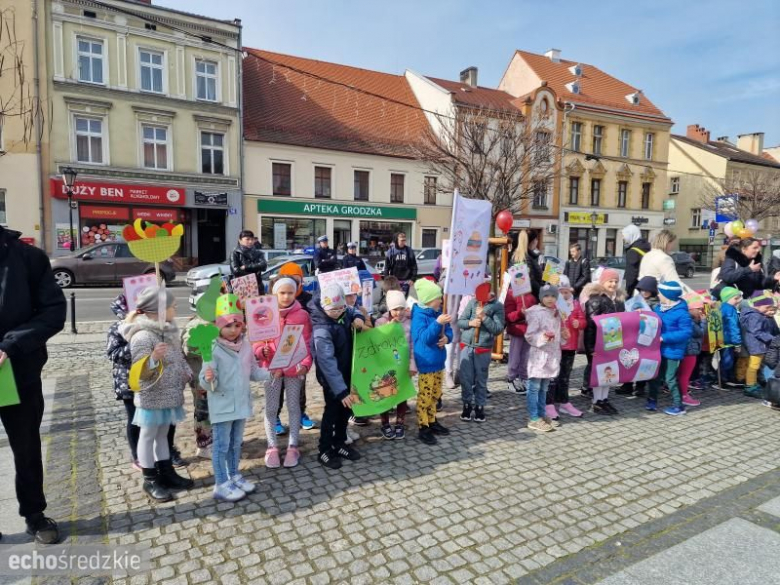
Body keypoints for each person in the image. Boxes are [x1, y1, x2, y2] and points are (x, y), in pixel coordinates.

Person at [0, 226, 66, 544]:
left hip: (18, 371)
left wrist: (10, 346)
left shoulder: (28, 258)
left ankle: (34, 514)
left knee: (25, 447)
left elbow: (53, 312)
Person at [123, 287, 194, 502]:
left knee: (163, 434)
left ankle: (166, 472)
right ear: (159, 310)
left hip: (170, 392)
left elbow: (179, 356)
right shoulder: (143, 336)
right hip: (152, 396)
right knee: (148, 435)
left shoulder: (168, 331)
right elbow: (140, 372)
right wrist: (153, 357)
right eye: (172, 306)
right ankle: (150, 478)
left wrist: (186, 371)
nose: (175, 309)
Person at [202, 294, 269, 502]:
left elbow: (253, 371)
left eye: (237, 325)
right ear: (219, 326)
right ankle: (221, 483)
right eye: (228, 325)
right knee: (221, 445)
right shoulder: (212, 348)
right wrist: (208, 378)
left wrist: (272, 372)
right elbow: (204, 383)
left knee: (236, 443)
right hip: (222, 406)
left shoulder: (246, 346)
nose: (233, 330)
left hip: (240, 403)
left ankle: (234, 475)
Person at [256, 278, 313, 469]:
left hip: (294, 369)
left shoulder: (302, 315)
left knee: (294, 406)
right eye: (282, 293)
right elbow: (256, 341)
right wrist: (259, 352)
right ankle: (272, 446)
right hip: (271, 370)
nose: (286, 296)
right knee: (271, 408)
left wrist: (305, 364)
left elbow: (307, 342)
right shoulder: (264, 313)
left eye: (290, 292)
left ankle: (293, 445)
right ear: (274, 293)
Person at [311, 284, 368, 469]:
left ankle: (340, 442)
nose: (337, 312)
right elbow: (327, 363)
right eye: (333, 309)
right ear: (324, 307)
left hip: (347, 373)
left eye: (340, 308)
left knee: (345, 412)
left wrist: (359, 317)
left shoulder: (344, 311)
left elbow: (352, 310)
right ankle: (325, 449)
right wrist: (341, 391)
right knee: (332, 412)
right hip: (332, 381)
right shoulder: (322, 330)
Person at [274, 262, 315, 433]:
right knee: (277, 389)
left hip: (298, 353)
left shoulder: (308, 299)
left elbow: (312, 322)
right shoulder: (272, 302)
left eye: (296, 280)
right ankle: (275, 417)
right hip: (275, 355)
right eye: (283, 292)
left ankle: (300, 414)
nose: (287, 295)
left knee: (299, 388)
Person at [411, 279, 453, 445]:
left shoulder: (438, 313)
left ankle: (432, 420)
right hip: (427, 363)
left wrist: (447, 337)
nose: (441, 300)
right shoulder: (420, 317)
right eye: (438, 298)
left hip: (438, 362)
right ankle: (423, 427)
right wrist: (437, 324)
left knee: (435, 394)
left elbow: (448, 329)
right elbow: (424, 339)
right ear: (429, 299)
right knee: (425, 397)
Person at [457, 283, 505, 423]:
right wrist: (471, 323)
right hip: (467, 345)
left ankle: (479, 407)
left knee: (481, 380)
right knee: (465, 379)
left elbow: (497, 329)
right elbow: (461, 321)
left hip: (483, 348)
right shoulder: (473, 302)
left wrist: (484, 317)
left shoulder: (497, 306)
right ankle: (466, 405)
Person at [524, 284, 567, 432]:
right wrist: (543, 337)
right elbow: (529, 335)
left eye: (553, 296)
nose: (550, 299)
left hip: (552, 355)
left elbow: (559, 335)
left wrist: (564, 336)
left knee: (544, 388)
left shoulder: (557, 313)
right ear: (541, 297)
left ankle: (542, 414)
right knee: (534, 387)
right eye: (547, 296)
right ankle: (534, 418)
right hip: (539, 356)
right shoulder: (537, 313)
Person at [646, 281, 692, 416]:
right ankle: (652, 400)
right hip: (658, 350)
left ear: (668, 295)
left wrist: (664, 337)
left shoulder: (682, 313)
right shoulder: (659, 308)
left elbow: (686, 333)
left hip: (672, 351)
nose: (658, 295)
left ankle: (679, 405)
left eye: (660, 293)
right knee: (654, 376)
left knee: (670, 378)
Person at [583, 269, 626, 412]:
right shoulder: (596, 300)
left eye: (615, 281)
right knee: (599, 373)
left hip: (613, 343)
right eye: (610, 281)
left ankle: (604, 399)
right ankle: (596, 401)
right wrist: (590, 348)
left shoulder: (619, 301)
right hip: (598, 344)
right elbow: (590, 326)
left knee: (610, 373)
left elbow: (623, 322)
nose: (613, 284)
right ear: (602, 282)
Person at [375, 290, 416, 439]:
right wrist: (389, 327)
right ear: (389, 309)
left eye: (401, 308)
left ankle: (400, 422)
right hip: (386, 367)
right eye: (395, 309)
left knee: (401, 395)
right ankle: (385, 424)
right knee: (385, 395)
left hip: (403, 366)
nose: (399, 312)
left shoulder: (410, 323)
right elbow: (378, 343)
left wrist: (412, 365)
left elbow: (412, 345)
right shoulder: (380, 322)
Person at [548, 276, 585, 419]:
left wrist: (579, 323)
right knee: (552, 376)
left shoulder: (575, 304)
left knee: (565, 376)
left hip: (570, 346)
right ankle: (548, 403)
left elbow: (583, 321)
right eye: (560, 292)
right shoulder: (552, 305)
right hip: (555, 346)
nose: (563, 295)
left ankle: (564, 402)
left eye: (565, 292)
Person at [181, 314, 213, 459]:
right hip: (200, 377)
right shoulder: (195, 324)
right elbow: (188, 349)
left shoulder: (219, 320)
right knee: (203, 411)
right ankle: (204, 445)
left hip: (215, 377)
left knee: (216, 410)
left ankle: (216, 440)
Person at [739, 291, 779, 399]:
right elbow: (757, 332)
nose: (770, 311)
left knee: (761, 365)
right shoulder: (754, 317)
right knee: (753, 366)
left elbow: (773, 329)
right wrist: (773, 339)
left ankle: (760, 381)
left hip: (763, 345)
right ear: (758, 306)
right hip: (756, 346)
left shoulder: (763, 315)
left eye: (772, 308)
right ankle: (750, 386)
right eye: (767, 308)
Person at [504, 287, 537, 394]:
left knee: (526, 356)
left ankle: (524, 378)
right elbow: (508, 316)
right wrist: (520, 313)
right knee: (515, 355)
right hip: (517, 329)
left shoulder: (531, 295)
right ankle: (511, 379)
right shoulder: (511, 294)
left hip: (529, 330)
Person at [677, 295, 704, 407]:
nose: (701, 311)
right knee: (685, 375)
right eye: (699, 309)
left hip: (686, 350)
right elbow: (701, 332)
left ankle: (681, 393)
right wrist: (704, 322)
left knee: (682, 374)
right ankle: (684, 396)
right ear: (690, 309)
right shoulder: (690, 321)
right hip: (690, 351)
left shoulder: (687, 318)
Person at [719, 286, 744, 389]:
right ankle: (724, 379)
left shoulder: (724, 307)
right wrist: (737, 343)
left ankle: (727, 378)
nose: (738, 301)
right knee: (727, 360)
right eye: (735, 298)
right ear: (727, 298)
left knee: (727, 360)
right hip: (728, 340)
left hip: (724, 339)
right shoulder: (729, 310)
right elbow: (733, 327)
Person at [512, 230, 543, 299]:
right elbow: (530, 281)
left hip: (529, 298)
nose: (537, 241)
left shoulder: (526, 256)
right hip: (530, 299)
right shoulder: (524, 257)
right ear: (532, 241)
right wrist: (543, 292)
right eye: (536, 239)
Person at [622, 224, 651, 296]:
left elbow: (631, 273)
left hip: (638, 287)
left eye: (624, 236)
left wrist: (628, 291)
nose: (623, 238)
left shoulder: (633, 251)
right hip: (650, 286)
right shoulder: (648, 247)